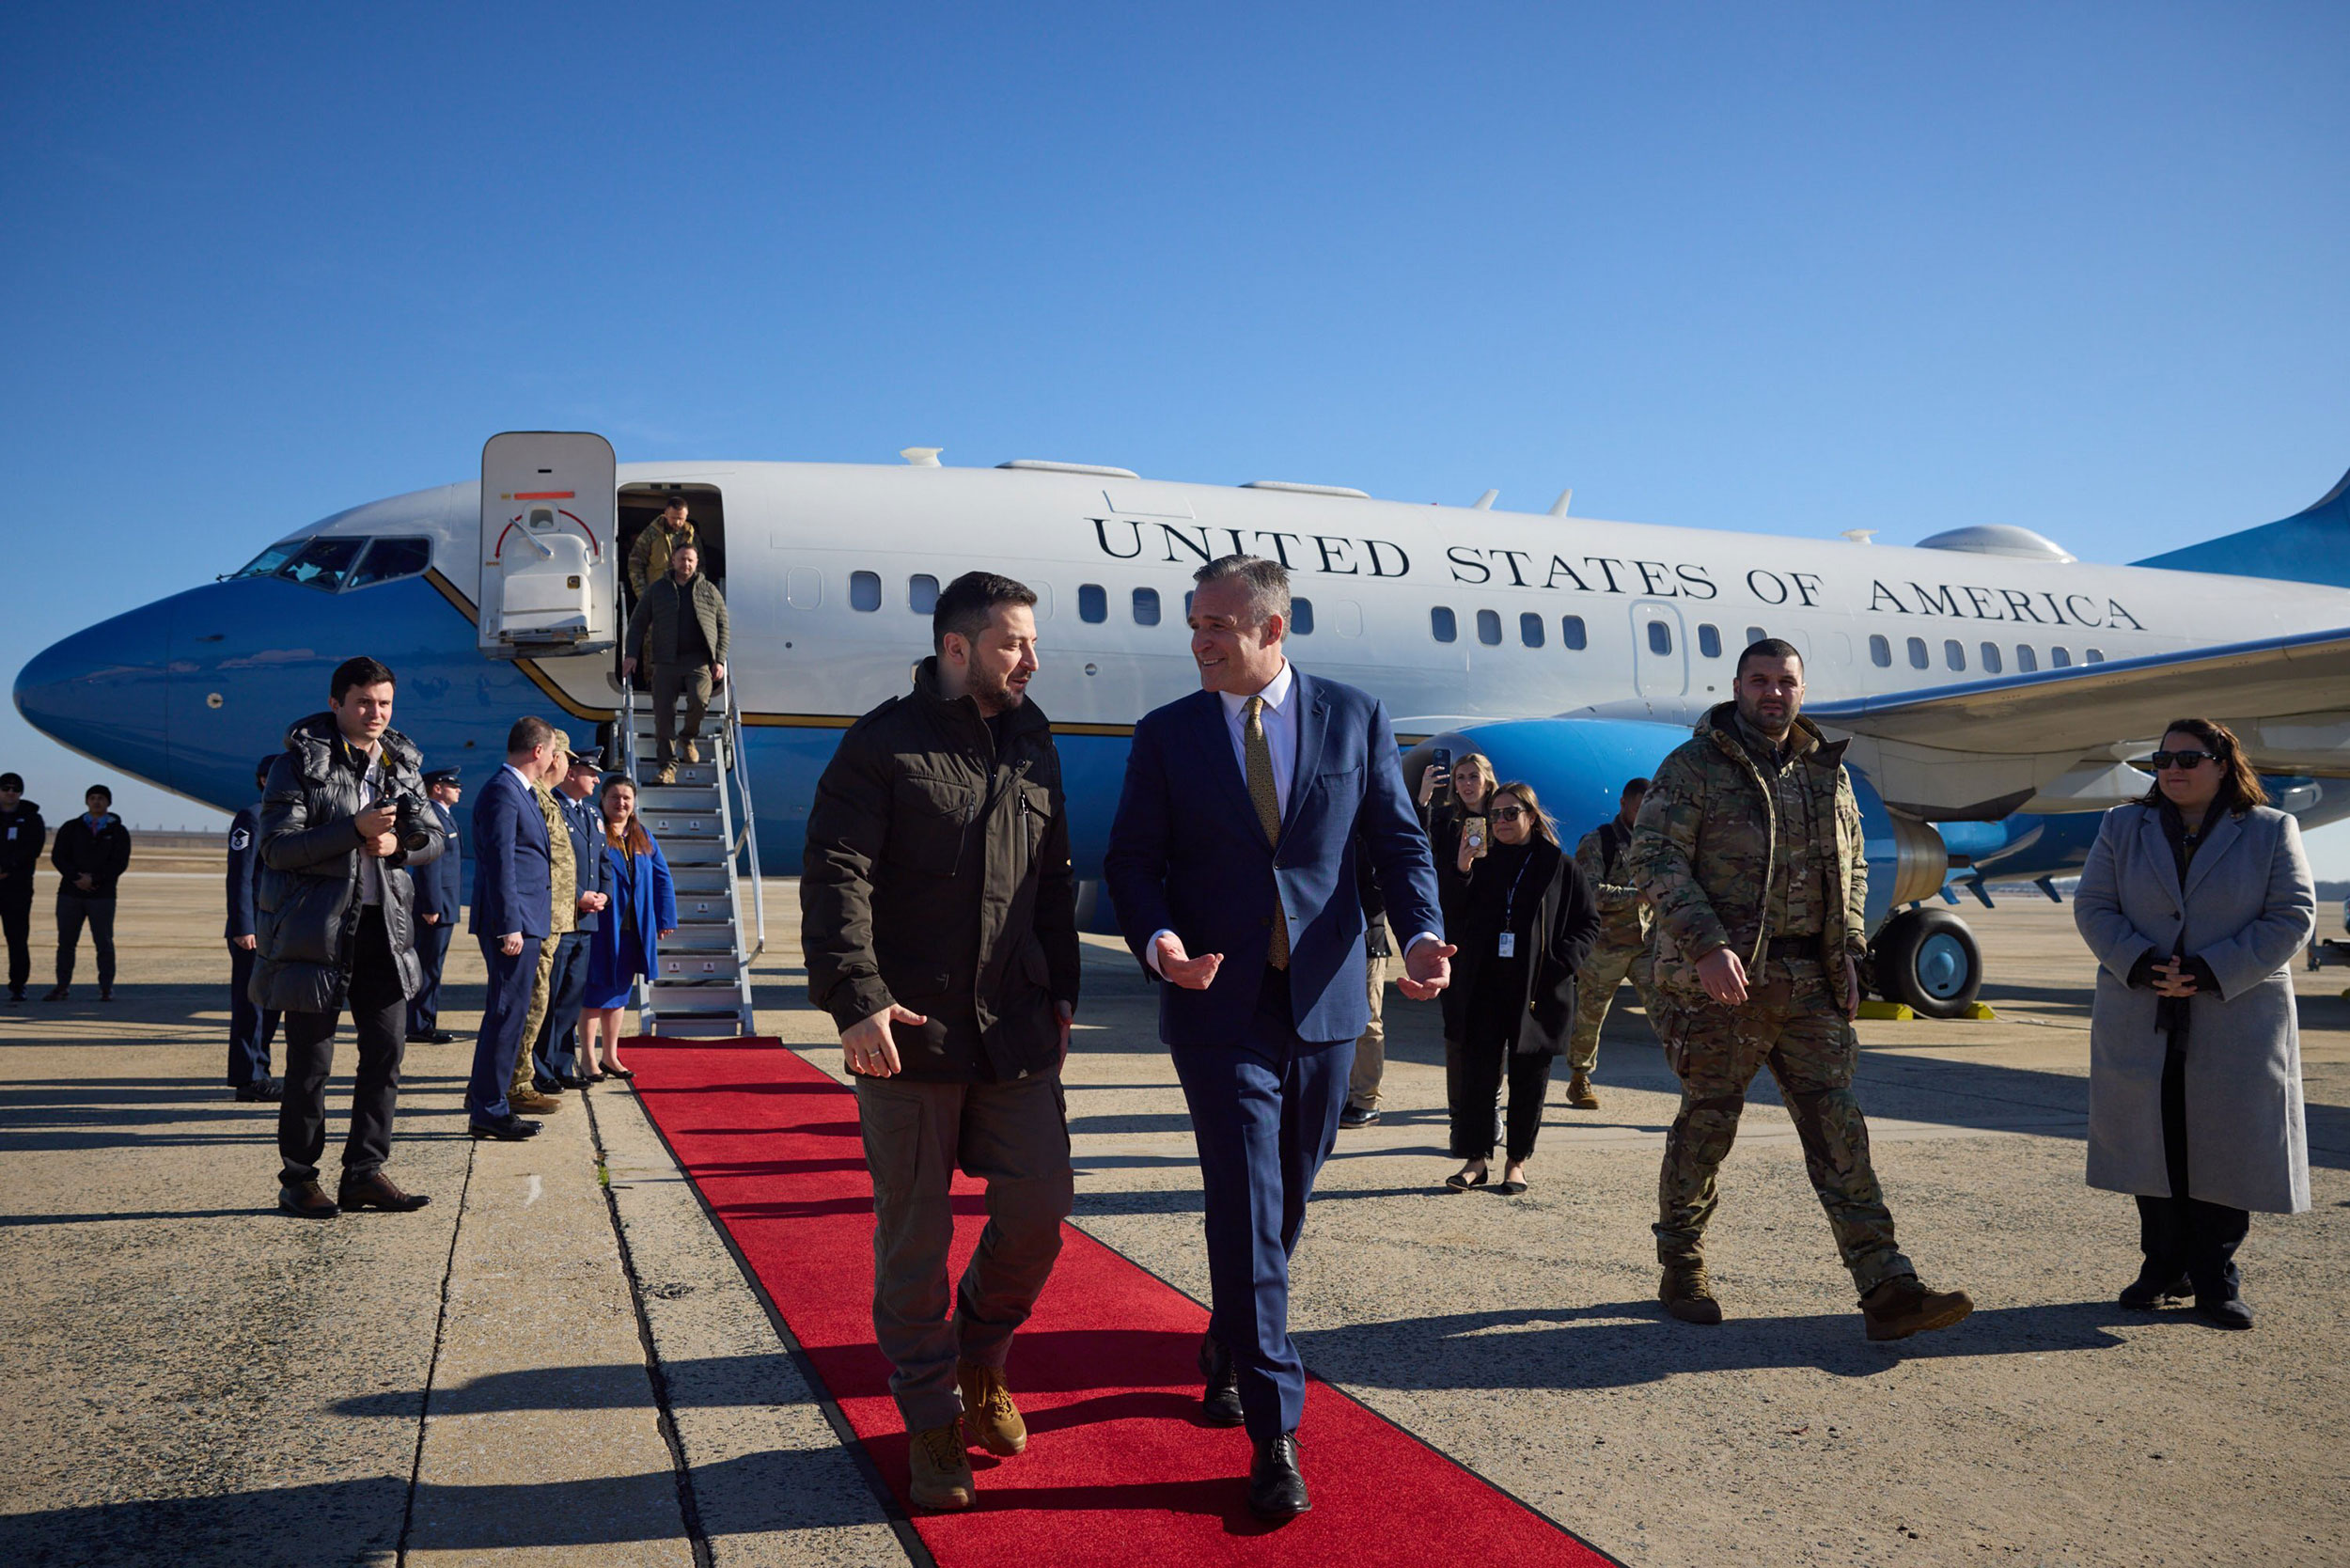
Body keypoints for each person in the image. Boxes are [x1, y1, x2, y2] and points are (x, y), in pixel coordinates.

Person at [1104, 555, 1449, 1521]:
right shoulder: (1168, 734)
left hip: (1328, 1001)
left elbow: (1394, 842)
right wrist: (1159, 941)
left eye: (1217, 623)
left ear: (1273, 628)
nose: (1199, 640)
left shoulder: (1353, 715)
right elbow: (1132, 860)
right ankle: (1274, 1433)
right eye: (1194, 623)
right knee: (1248, 1203)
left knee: (1285, 1199)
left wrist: (1421, 932)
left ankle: (1228, 1338)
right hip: (1216, 1000)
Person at [802, 570, 1081, 1514]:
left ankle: (981, 1361)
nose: (1032, 660)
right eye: (1014, 643)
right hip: (908, 1035)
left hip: (1015, 1032)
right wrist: (855, 998)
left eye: (1032, 643)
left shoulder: (1034, 741)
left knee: (1042, 1207)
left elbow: (1053, 883)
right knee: (914, 1242)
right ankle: (930, 1421)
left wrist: (1064, 995)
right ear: (957, 648)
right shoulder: (882, 745)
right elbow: (836, 872)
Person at [1631, 638, 1971, 1341]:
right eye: (1759, 681)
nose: (1772, 693)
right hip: (1723, 984)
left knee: (1838, 1127)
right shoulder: (1694, 767)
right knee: (1708, 1125)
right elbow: (1653, 856)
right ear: (1737, 687)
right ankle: (1681, 1263)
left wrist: (1850, 949)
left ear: (1802, 690)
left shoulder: (1828, 774)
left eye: (1785, 681)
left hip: (1810, 984)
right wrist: (1706, 945)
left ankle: (1886, 1286)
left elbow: (1851, 873)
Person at [2073, 718, 2315, 1330]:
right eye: (2162, 758)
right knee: (2151, 1145)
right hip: (2142, 1005)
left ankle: (2215, 1278)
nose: (2173, 769)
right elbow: (2094, 905)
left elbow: (2292, 916)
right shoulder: (2121, 827)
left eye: (2188, 757)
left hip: (2235, 1009)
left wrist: (2210, 971)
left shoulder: (2268, 829)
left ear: (2222, 762)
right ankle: (2162, 1267)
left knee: (2225, 1148)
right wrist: (2142, 962)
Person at [253, 657, 446, 1217]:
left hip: (383, 933)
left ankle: (364, 1171)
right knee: (310, 1065)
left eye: (385, 703)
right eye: (365, 702)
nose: (376, 714)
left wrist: (401, 848)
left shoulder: (400, 761)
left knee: (386, 1054)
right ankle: (298, 1179)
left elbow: (433, 836)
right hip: (318, 934)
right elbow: (277, 849)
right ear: (337, 703)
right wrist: (351, 832)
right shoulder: (298, 765)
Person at [1441, 781, 1599, 1195]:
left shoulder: (1559, 866)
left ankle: (1517, 1162)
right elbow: (1450, 915)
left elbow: (1588, 924)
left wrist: (1562, 963)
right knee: (1476, 1076)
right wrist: (1461, 869)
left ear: (1531, 816)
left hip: (1537, 988)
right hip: (1484, 985)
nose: (1501, 822)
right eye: (1494, 815)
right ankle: (1475, 1161)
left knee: (1529, 1078)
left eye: (1511, 813)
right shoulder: (1480, 861)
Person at [465, 717, 561, 1141]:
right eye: (553, 750)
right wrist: (509, 926)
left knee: (511, 1014)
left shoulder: (517, 792)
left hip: (526, 920)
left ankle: (486, 1100)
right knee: (505, 1014)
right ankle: (490, 1108)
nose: (556, 759)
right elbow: (500, 863)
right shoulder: (503, 792)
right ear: (538, 751)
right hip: (514, 925)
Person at [1565, 776, 1658, 1109]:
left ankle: (1690, 1079)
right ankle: (1579, 1078)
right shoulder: (1598, 842)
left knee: (1667, 1013)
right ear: (1623, 804)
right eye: (1638, 808)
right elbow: (1589, 891)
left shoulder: (1656, 842)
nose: (1643, 815)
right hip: (1604, 948)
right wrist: (1639, 896)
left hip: (1647, 945)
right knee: (1590, 1017)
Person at [582, 774, 677, 1081]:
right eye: (614, 797)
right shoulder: (593, 832)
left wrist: (665, 917)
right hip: (602, 927)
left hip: (634, 931)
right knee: (595, 994)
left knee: (620, 995)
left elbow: (662, 878)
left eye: (626, 798)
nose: (620, 803)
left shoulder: (643, 836)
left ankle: (610, 1056)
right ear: (603, 800)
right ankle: (587, 1059)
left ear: (634, 803)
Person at [534, 749, 612, 1088]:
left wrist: (603, 893)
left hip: (587, 920)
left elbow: (603, 860)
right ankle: (543, 1069)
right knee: (550, 998)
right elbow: (552, 862)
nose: (597, 779)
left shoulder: (592, 813)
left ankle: (564, 1067)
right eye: (590, 773)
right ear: (571, 773)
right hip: (564, 917)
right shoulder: (553, 808)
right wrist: (578, 894)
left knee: (571, 998)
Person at [623, 541, 730, 786]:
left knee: (700, 700)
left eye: (691, 560)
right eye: (682, 559)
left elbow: (723, 625)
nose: (687, 564)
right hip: (665, 660)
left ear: (696, 563)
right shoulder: (658, 590)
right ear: (673, 561)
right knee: (663, 715)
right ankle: (667, 767)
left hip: (698, 660)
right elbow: (638, 623)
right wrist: (631, 655)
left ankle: (688, 737)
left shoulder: (709, 591)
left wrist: (719, 659)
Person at [226, 757, 284, 1102]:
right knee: (251, 1007)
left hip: (280, 929)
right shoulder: (252, 816)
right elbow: (240, 878)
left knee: (272, 1006)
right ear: (264, 780)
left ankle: (262, 1071)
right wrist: (243, 926)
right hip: (253, 930)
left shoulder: (287, 818)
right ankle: (248, 1079)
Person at [47, 784, 131, 1002]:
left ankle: (106, 988)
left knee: (104, 942)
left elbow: (119, 863)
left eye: (101, 798)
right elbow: (58, 857)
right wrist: (76, 878)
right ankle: (62, 986)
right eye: (92, 798)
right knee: (66, 942)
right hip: (70, 894)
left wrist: (94, 879)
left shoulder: (118, 831)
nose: (96, 802)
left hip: (102, 896)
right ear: (86, 801)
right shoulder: (71, 827)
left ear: (108, 803)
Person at [407, 768, 464, 1044]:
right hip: (435, 906)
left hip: (444, 904)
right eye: (453, 785)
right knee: (427, 966)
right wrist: (430, 905)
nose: (459, 789)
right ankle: (418, 1024)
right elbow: (429, 863)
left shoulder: (443, 815)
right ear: (437, 788)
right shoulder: (431, 816)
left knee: (433, 967)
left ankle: (425, 1020)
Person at [1338, 854, 1393, 1128]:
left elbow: (1381, 893)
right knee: (1340, 1021)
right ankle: (1348, 1093)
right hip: (1338, 939)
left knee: (1368, 1021)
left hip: (1370, 939)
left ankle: (1367, 1100)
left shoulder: (1372, 840)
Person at [0, 772, 47, 1005]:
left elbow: (32, 849)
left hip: (17, 887)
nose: (10, 792)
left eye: (15, 789)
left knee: (17, 938)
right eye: (6, 788)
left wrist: (9, 868)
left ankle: (18, 985)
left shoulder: (31, 818)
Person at [626, 495, 697, 598]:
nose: (677, 522)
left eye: (681, 518)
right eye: (673, 518)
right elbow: (635, 563)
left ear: (687, 516)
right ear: (666, 514)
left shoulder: (691, 536)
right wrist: (643, 594)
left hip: (685, 595)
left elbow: (699, 567)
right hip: (657, 595)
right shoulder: (651, 534)